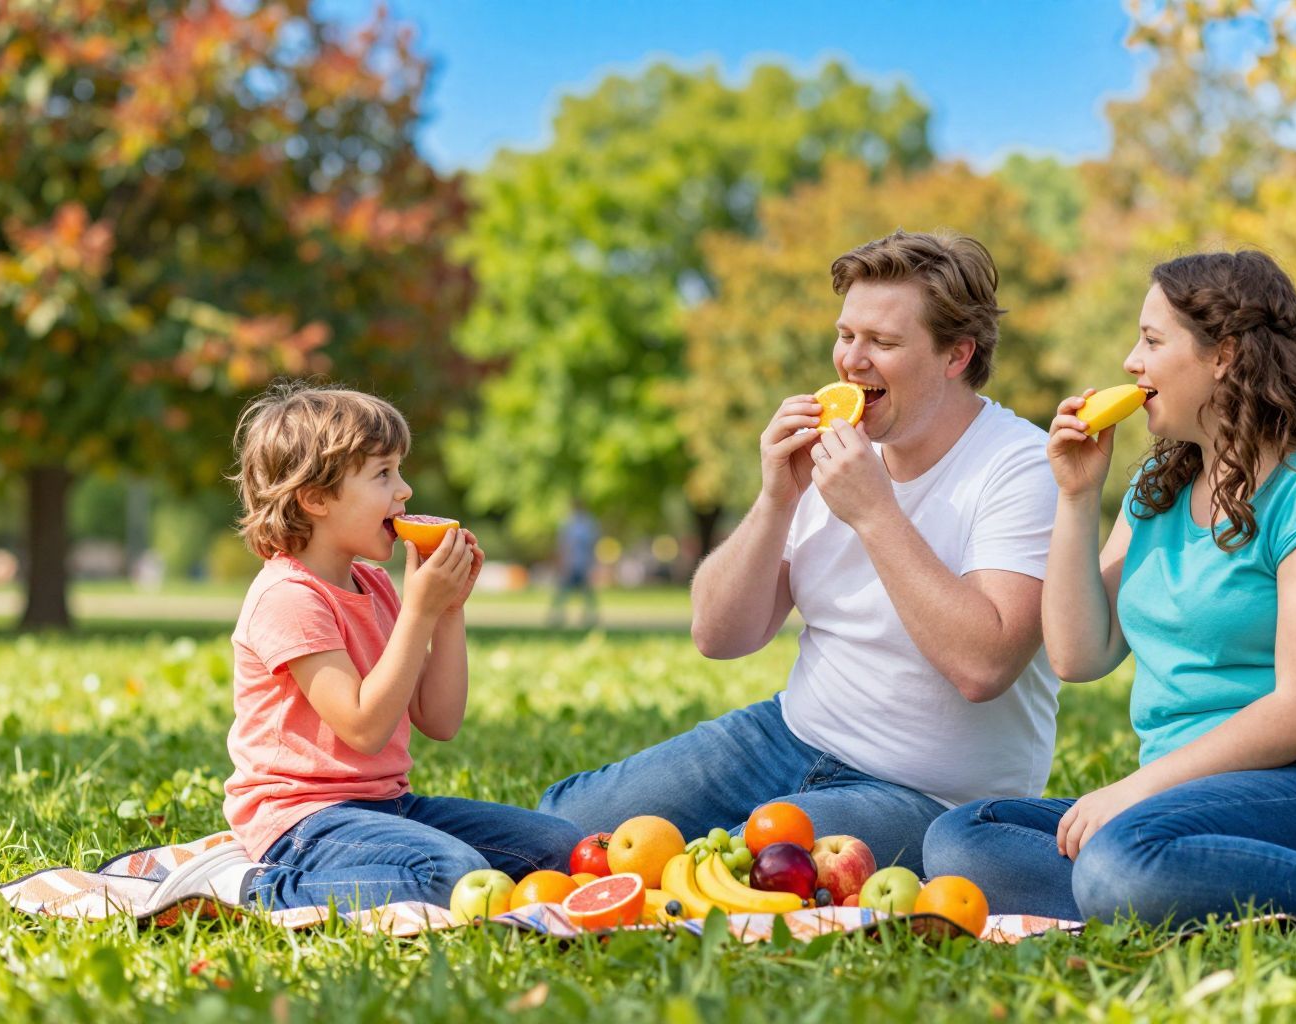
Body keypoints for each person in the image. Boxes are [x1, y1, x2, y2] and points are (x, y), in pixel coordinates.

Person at [923, 250, 1296, 924]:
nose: (1130, 362)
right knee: (962, 840)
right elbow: (1079, 654)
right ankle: (1189, 880)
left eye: (1152, 341)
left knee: (1120, 862)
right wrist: (1077, 496)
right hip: (1184, 801)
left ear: (1223, 356)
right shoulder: (1159, 489)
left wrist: (1137, 790)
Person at [540, 230, 1061, 871]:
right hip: (789, 736)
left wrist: (875, 513)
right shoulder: (834, 449)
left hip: (928, 795)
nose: (852, 361)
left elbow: (983, 667)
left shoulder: (1020, 465)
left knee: (733, 869)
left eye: (883, 342)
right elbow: (718, 635)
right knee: (562, 832)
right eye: (846, 335)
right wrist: (775, 499)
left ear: (956, 355)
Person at [220, 382, 580, 912]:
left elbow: (440, 720)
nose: (405, 490)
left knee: (561, 846)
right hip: (300, 822)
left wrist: (448, 611)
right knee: (452, 874)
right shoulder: (287, 597)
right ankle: (261, 891)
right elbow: (364, 728)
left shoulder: (375, 585)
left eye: (400, 471)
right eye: (383, 473)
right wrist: (419, 611)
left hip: (388, 805)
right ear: (315, 498)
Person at [548, 500, 600, 628]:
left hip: (583, 563)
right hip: (571, 563)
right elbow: (563, 546)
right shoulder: (569, 523)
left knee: (586, 593)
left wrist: (592, 564)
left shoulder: (588, 524)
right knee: (564, 592)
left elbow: (592, 546)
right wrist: (563, 563)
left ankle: (589, 617)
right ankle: (557, 616)